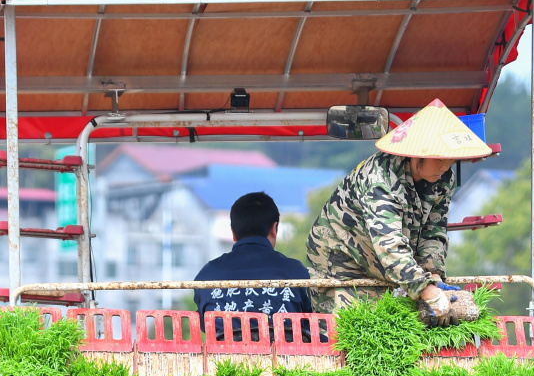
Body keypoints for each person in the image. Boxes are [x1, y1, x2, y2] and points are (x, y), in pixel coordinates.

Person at [305, 99, 492, 326]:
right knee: (353, 330)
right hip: (341, 261)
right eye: (440, 159)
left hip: (385, 265)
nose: (445, 166)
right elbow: (389, 244)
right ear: (416, 153)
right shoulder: (380, 180)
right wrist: (426, 290)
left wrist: (432, 274)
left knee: (400, 320)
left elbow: (433, 231)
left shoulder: (443, 179)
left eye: (451, 160)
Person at [193, 191, 312, 336]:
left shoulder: (207, 275)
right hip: (287, 358)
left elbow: (206, 325)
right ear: (274, 229)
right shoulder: (297, 273)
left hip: (224, 359)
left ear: (233, 233)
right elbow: (311, 324)